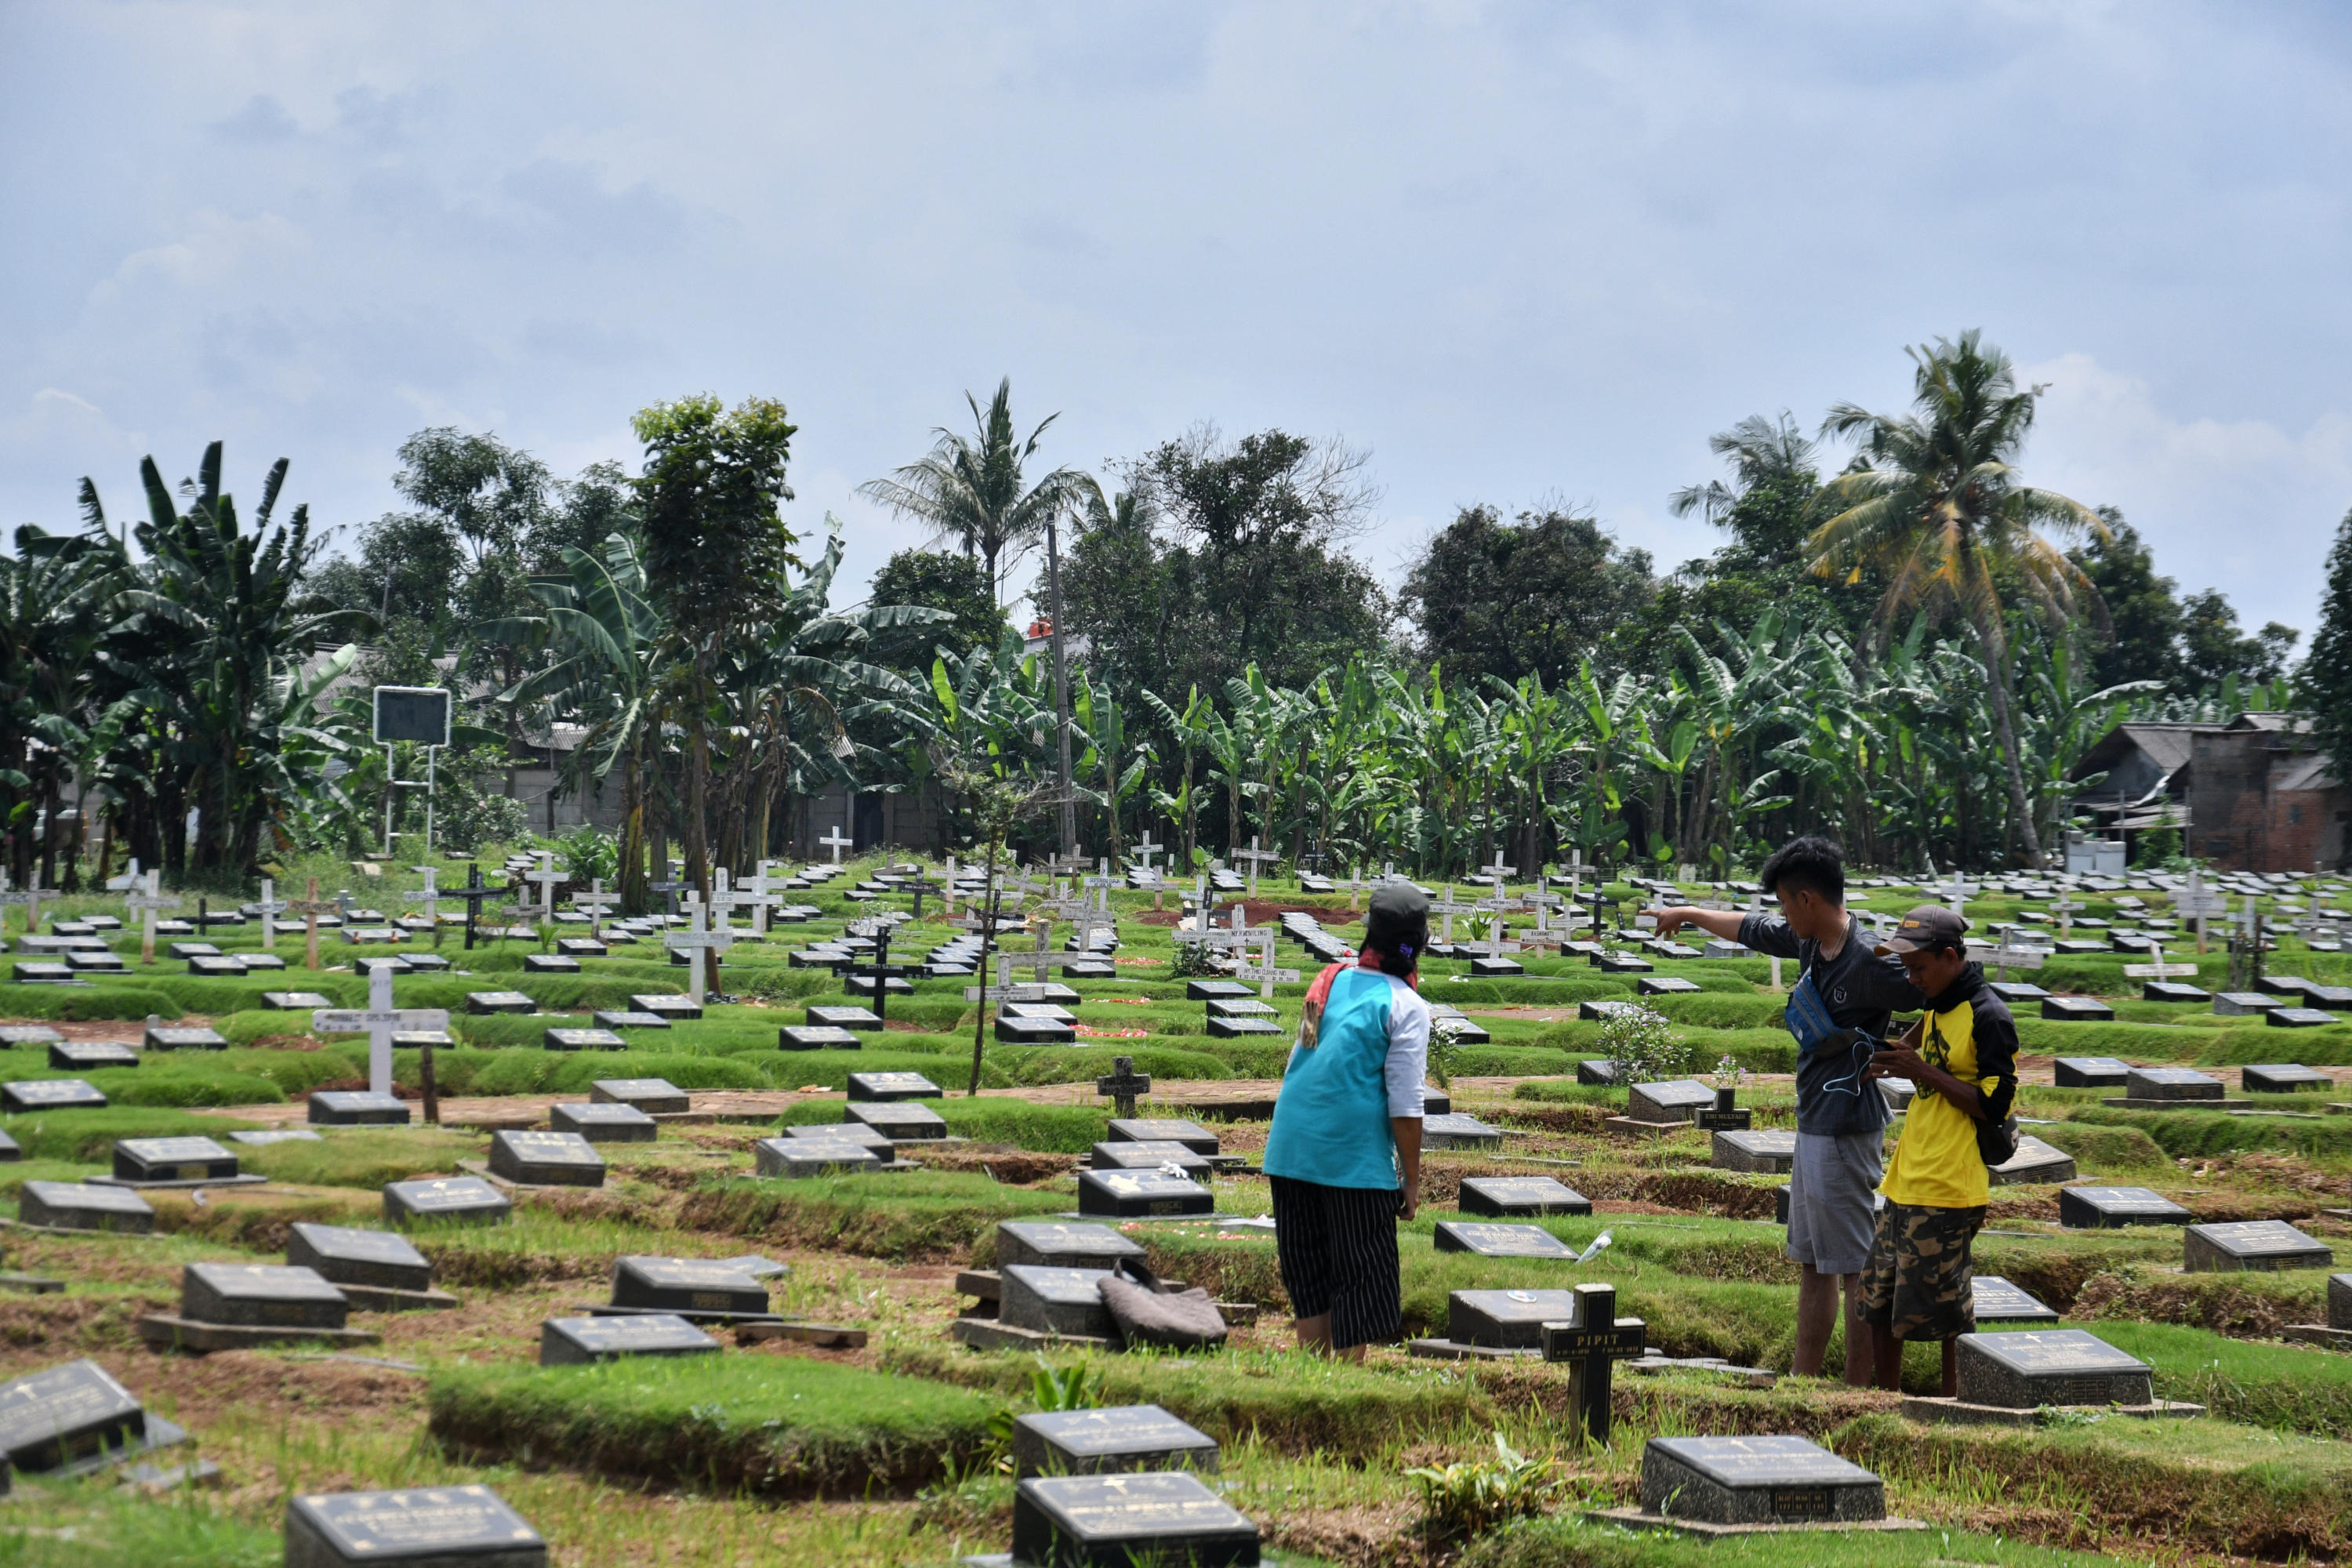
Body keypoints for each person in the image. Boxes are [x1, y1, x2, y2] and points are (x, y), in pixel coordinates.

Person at [1644, 835, 1922, 1384]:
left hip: (1845, 1130)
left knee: (1854, 1268)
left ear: (1808, 900)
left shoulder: (1869, 962)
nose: (1781, 914)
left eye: (1785, 903)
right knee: (1815, 1265)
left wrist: (1908, 1051)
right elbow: (1747, 928)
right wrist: (1688, 913)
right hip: (1814, 1125)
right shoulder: (1811, 944)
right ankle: (1802, 1380)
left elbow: (1948, 991)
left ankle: (1859, 1390)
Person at [1261, 881, 1433, 1359]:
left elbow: (1307, 1059)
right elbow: (1405, 1103)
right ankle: (1346, 1384)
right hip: (1351, 1159)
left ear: (1368, 936)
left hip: (1290, 1148)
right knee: (1361, 1275)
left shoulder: (1329, 980)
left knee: (1310, 1271)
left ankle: (1317, 1380)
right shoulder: (1408, 1006)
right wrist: (1412, 1181)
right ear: (1418, 945)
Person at [1857, 904, 2015, 1394]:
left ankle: (1950, 1409)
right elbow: (1915, 1044)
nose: (1912, 978)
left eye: (1918, 968)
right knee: (1879, 1301)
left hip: (1950, 1185)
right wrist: (1877, 1059)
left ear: (1950, 957)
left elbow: (1995, 1103)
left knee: (1945, 1313)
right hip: (1907, 1179)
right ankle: (1885, 1403)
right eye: (1905, 969)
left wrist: (1920, 1071)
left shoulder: (1988, 1016)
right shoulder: (1937, 1004)